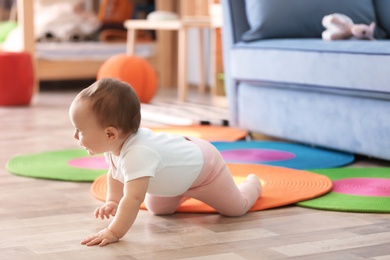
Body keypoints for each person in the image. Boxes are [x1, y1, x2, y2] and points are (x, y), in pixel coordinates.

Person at [69, 77, 262, 247]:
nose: (75, 136)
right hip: (178, 176)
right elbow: (115, 172)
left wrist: (113, 232)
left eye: (80, 130)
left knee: (236, 209)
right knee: (159, 209)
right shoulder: (113, 146)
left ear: (110, 133)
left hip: (206, 170)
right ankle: (183, 192)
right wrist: (113, 200)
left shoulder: (138, 154)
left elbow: (133, 199)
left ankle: (253, 184)